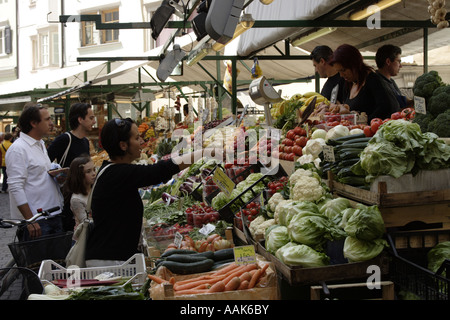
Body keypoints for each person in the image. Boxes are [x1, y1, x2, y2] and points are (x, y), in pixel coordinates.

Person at [85, 118, 209, 267]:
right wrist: (204, 152)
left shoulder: (111, 170)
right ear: (123, 145)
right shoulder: (117, 173)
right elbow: (160, 170)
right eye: (136, 138)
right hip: (109, 262)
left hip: (111, 256)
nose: (142, 141)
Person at [5, 103, 64, 241]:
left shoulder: (40, 144)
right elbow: (15, 187)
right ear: (33, 123)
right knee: (38, 263)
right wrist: (30, 220)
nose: (51, 123)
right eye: (47, 119)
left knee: (55, 262)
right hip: (38, 221)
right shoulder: (18, 149)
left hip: (53, 215)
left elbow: (39, 177)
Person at [329, 44, 400, 122]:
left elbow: (389, 107)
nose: (341, 75)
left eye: (343, 70)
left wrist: (366, 123)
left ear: (354, 64)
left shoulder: (373, 80)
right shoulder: (348, 83)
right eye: (339, 71)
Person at [47, 103, 96, 168]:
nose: (94, 122)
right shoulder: (64, 139)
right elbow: (45, 162)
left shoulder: (86, 141)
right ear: (80, 120)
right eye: (91, 118)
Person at [62, 155, 96, 240]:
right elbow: (86, 223)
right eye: (88, 171)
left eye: (94, 169)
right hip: (85, 239)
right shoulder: (76, 199)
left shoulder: (95, 190)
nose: (93, 174)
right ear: (79, 175)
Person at [376, 44, 413, 109]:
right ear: (388, 61)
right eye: (398, 61)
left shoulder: (390, 81)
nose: (400, 66)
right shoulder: (377, 83)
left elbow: (402, 101)